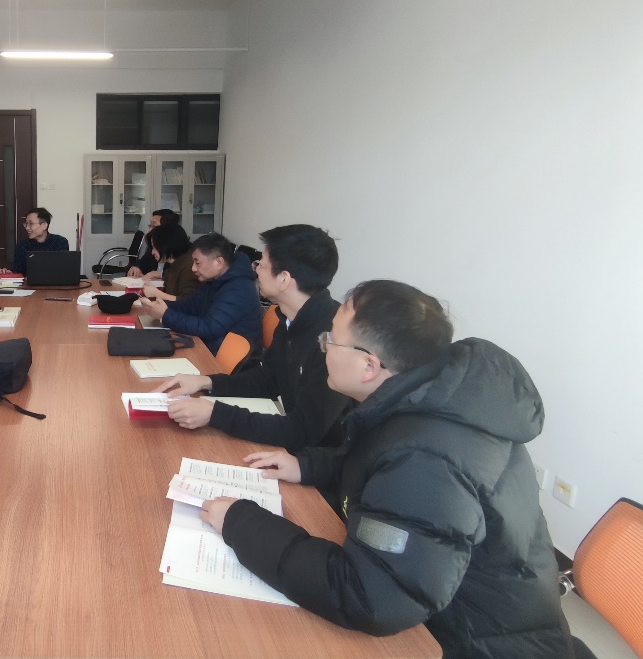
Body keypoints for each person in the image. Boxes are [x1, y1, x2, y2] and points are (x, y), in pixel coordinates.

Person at [200, 280, 572, 659]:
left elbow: (371, 597)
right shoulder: (422, 399)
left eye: (331, 340)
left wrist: (241, 524)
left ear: (369, 365)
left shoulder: (426, 458)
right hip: (449, 613)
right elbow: (376, 463)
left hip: (473, 644)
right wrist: (306, 465)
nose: (323, 347)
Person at [154, 225, 352, 452]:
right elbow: (266, 381)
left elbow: (303, 430)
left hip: (317, 463)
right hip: (295, 449)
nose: (255, 270)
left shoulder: (333, 339)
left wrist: (215, 414)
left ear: (284, 279)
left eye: (261, 265)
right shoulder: (290, 319)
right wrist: (206, 382)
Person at [138, 232, 261, 355]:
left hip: (224, 356)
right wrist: (161, 306)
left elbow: (209, 328)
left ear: (219, 262)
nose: (193, 268)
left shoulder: (238, 289)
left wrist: (165, 315)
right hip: (209, 345)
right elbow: (191, 305)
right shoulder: (215, 279)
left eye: (197, 263)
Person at [0, 207, 69, 277]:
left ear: (44, 225)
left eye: (31, 224)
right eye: (26, 224)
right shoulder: (22, 246)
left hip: (55, 284)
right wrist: (8, 273)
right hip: (29, 284)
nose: (27, 227)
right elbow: (18, 272)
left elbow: (63, 270)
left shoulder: (60, 242)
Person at [139, 222, 200, 302]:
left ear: (166, 245)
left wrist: (156, 293)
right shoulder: (174, 264)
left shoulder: (189, 267)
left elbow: (188, 302)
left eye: (154, 247)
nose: (152, 252)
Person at [124, 208, 179, 277]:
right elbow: (142, 263)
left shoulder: (181, 251)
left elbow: (179, 274)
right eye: (150, 226)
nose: (150, 230)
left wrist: (161, 274)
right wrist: (136, 268)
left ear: (168, 228)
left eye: (154, 226)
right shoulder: (152, 248)